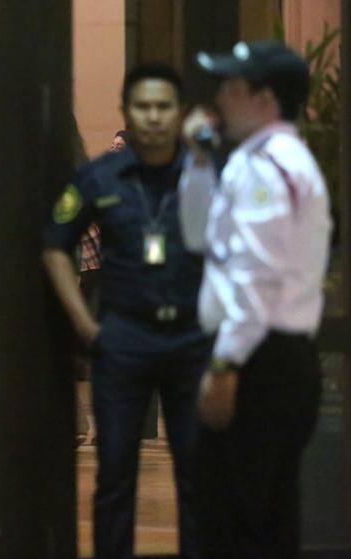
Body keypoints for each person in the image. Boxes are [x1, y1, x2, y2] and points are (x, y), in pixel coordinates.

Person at [42, 63, 212, 558]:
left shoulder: (205, 174)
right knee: (115, 475)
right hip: (123, 342)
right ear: (127, 112)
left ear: (178, 112)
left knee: (196, 477)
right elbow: (55, 245)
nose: (154, 117)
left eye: (163, 106)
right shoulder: (99, 176)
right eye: (143, 106)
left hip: (189, 341)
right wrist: (82, 320)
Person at [179, 40, 330, 558]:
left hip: (258, 360)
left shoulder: (271, 168)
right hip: (261, 354)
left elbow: (257, 279)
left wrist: (225, 366)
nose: (219, 97)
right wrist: (199, 161)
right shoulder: (254, 160)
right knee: (259, 518)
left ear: (265, 98)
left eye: (231, 86)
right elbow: (198, 236)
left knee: (234, 521)